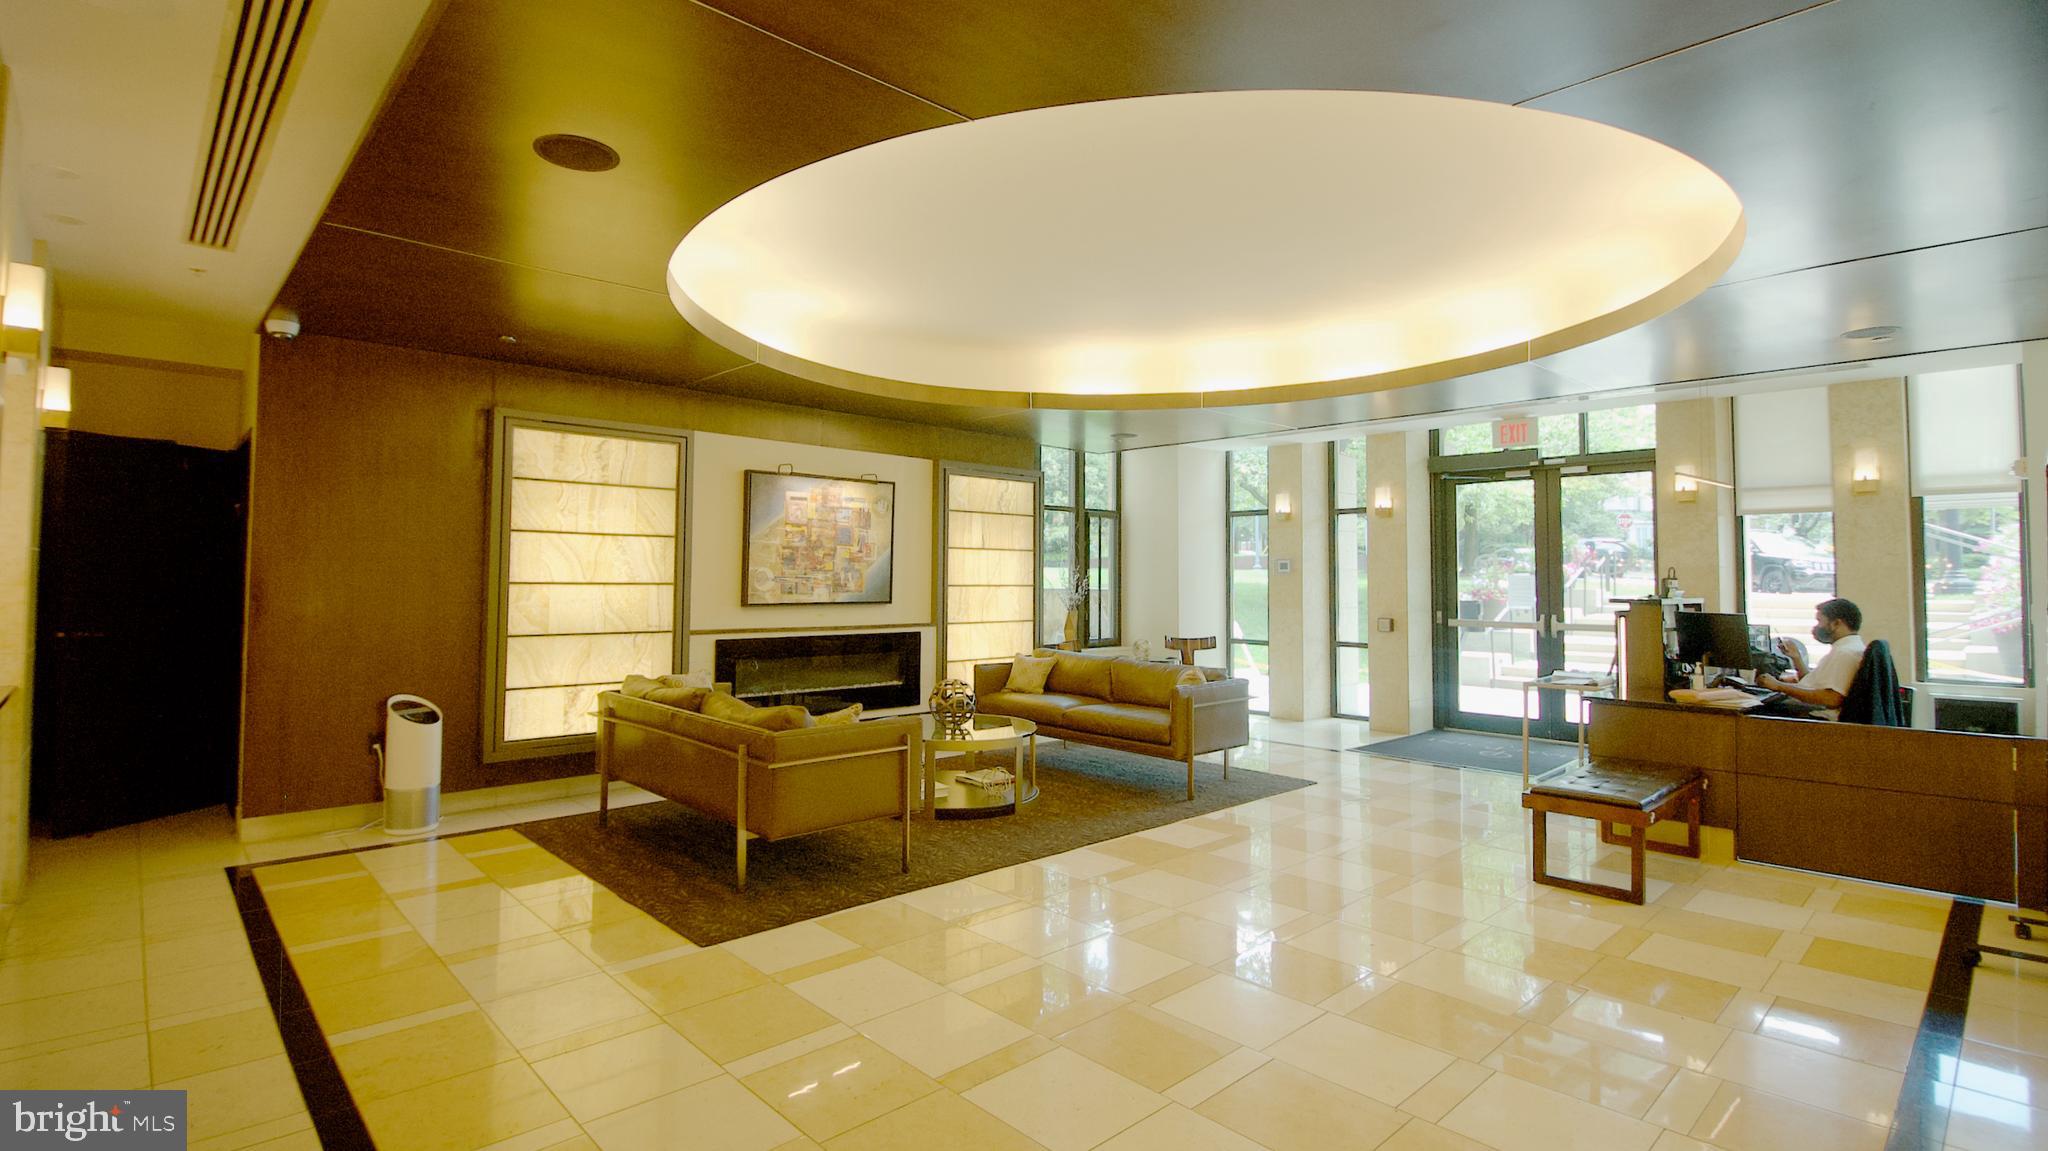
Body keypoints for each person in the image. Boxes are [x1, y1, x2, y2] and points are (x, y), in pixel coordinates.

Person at [1758, 598, 1866, 721]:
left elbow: (1831, 699)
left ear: (1836, 623)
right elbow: (1811, 684)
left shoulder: (1845, 654)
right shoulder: (1849, 647)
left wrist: (1779, 686)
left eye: (1819, 621)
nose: (1816, 627)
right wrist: (1796, 658)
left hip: (1819, 720)